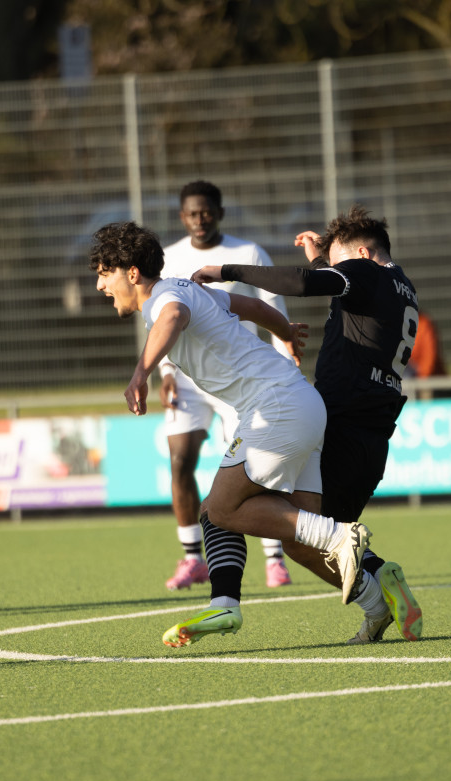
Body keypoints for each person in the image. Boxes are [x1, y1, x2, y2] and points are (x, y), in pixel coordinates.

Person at [89, 221, 371, 647]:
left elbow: (174, 318)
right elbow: (252, 308)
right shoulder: (187, 288)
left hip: (275, 408)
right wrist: (286, 334)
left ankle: (328, 541)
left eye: (104, 272)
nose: (98, 285)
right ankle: (378, 599)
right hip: (301, 403)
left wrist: (140, 373)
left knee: (219, 509)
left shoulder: (166, 299)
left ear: (131, 273)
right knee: (297, 540)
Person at [191, 204, 424, 643]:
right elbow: (339, 284)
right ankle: (382, 583)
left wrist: (224, 269)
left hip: (338, 427)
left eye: (340, 266)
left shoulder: (368, 274)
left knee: (231, 511)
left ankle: (226, 604)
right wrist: (323, 258)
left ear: (361, 253)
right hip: (370, 437)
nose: (336, 275)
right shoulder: (400, 286)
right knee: (303, 536)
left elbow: (302, 283)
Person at [158, 180, 294, 592]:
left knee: (253, 466)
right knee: (180, 459)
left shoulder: (247, 254)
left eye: (206, 211)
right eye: (191, 213)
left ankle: (274, 559)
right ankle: (192, 559)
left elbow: (272, 309)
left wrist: (287, 362)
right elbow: (162, 316)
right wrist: (164, 369)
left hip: (236, 379)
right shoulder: (169, 257)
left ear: (219, 212)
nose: (200, 219)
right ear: (182, 217)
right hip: (185, 375)